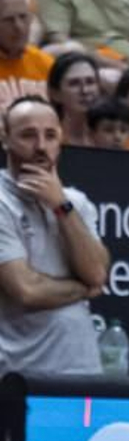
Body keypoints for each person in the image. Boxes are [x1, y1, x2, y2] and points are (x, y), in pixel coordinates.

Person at [0, 95, 110, 375]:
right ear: (5, 139)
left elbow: (97, 273)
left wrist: (60, 206)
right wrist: (83, 290)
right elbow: (27, 290)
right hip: (18, 376)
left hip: (81, 370)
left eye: (50, 135)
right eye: (28, 135)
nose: (41, 147)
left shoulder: (75, 202)